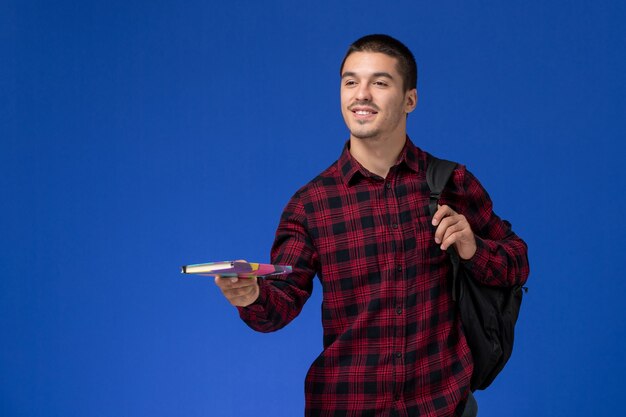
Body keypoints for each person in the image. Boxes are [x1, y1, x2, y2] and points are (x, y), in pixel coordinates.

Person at [214, 34, 529, 417]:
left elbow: (516, 263)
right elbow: (280, 305)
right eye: (350, 82)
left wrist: (473, 249)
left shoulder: (452, 183)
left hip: (441, 407)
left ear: (409, 99)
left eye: (379, 83)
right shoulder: (311, 205)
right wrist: (251, 296)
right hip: (346, 406)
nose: (361, 94)